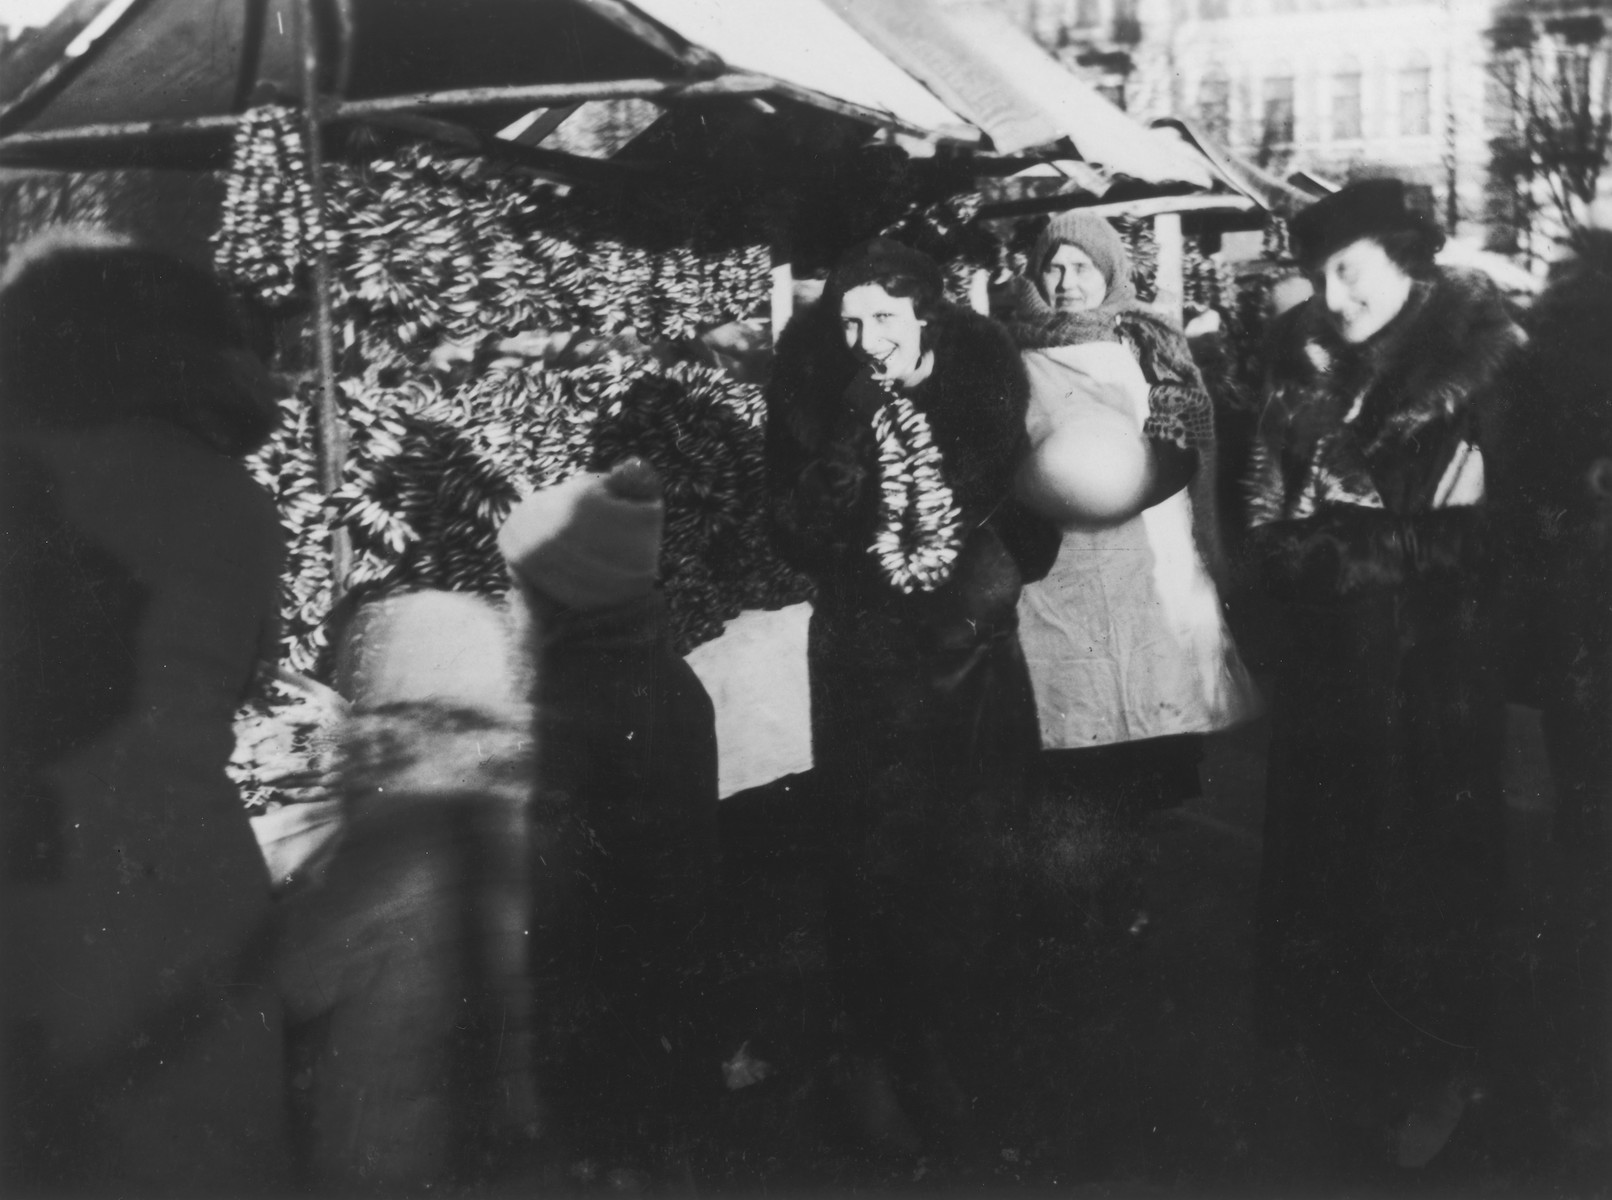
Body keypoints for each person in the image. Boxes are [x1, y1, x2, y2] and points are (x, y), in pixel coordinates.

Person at [0, 230, 292, 1192]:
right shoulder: (239, 502)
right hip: (193, 883)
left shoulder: (22, 482)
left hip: (36, 887)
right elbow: (243, 671)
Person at [1244, 178, 1525, 1166]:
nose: (1333, 292)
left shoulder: (1474, 369)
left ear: (1405, 261)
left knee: (1425, 877)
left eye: (1349, 270)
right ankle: (1358, 1064)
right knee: (1339, 875)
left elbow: (1490, 538)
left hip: (1427, 679)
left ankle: (1444, 1072)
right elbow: (1269, 502)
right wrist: (1287, 553)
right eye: (1319, 274)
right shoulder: (1309, 362)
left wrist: (1347, 554)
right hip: (1332, 676)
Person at [765, 238, 1058, 1153]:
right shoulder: (817, 399)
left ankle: (971, 1065)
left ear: (924, 316)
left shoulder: (985, 393)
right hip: (865, 669)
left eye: (884, 320)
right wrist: (835, 470)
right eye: (850, 321)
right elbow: (790, 535)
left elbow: (1035, 532)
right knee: (872, 866)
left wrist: (989, 582)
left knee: (976, 861)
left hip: (970, 669)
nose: (866, 339)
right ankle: (882, 1065)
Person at [999, 212, 1256, 894]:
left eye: (1083, 266)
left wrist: (1140, 474)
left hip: (1146, 562)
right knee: (1070, 752)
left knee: (1141, 747)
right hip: (1057, 574)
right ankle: (1083, 902)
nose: (1066, 282)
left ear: (1111, 270)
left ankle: (1131, 888)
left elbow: (1184, 441)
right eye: (1054, 266)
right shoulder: (1003, 351)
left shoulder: (1149, 342)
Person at [498, 457, 721, 1176]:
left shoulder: (574, 715)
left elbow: (551, 887)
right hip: (669, 987)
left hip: (599, 999)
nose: (507, 609)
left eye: (516, 592)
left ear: (564, 601)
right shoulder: (669, 679)